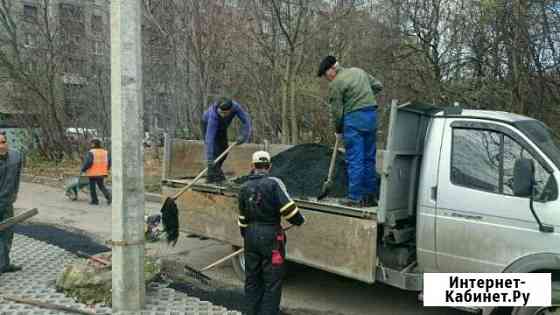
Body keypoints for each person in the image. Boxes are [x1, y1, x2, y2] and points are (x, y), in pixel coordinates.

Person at [237, 151, 305, 315]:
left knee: (252, 280)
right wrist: (299, 221)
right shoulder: (273, 185)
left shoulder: (244, 188)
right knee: (272, 282)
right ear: (269, 166)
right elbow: (289, 210)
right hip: (271, 237)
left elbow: (242, 218)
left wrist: (247, 236)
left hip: (250, 236)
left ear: (252, 166)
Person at [317, 55, 383, 207]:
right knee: (369, 159)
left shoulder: (336, 83)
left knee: (355, 160)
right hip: (371, 117)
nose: (327, 78)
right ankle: (370, 197)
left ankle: (354, 197)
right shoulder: (359, 72)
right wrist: (363, 95)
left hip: (354, 120)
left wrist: (338, 129)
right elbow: (378, 85)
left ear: (333, 68)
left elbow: (337, 112)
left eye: (326, 74)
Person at [202, 97, 252, 183]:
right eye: (221, 112)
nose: (223, 115)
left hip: (222, 127)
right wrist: (209, 159)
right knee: (215, 152)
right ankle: (214, 177)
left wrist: (243, 136)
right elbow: (209, 140)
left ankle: (213, 174)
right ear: (218, 109)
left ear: (230, 110)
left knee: (224, 150)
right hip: (207, 125)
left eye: (225, 113)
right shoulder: (213, 116)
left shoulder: (236, 107)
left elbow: (246, 121)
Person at [0, 130, 23, 274]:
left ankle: (5, 264)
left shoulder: (16, 156)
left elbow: (17, 177)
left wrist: (14, 195)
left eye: (3, 142)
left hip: (7, 203)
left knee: (8, 234)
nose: (1, 146)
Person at [80, 138, 111, 205]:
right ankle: (109, 197)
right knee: (101, 186)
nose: (91, 144)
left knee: (92, 187)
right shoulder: (105, 152)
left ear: (93, 144)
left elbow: (89, 162)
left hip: (93, 173)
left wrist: (83, 169)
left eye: (91, 143)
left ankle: (95, 201)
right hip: (102, 172)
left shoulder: (91, 152)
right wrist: (106, 169)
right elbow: (109, 162)